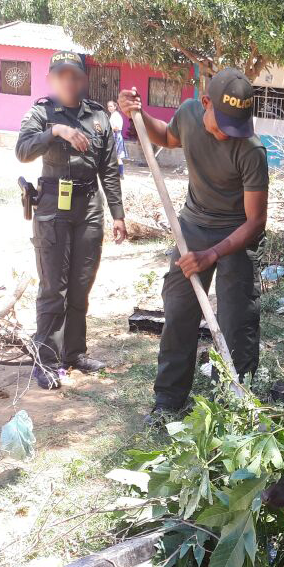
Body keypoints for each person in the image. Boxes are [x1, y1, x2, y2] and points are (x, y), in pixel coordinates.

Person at [117, 68, 269, 418]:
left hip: (236, 234)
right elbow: (168, 138)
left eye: (238, 124)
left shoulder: (251, 151)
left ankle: (233, 403)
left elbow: (256, 221)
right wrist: (139, 115)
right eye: (224, 122)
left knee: (236, 321)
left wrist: (213, 253)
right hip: (193, 227)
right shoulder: (188, 114)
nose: (231, 133)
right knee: (179, 313)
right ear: (205, 104)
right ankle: (168, 401)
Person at [16, 51, 126, 390]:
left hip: (89, 205)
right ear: (51, 79)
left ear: (83, 79)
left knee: (81, 283)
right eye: (61, 75)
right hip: (52, 207)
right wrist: (57, 131)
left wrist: (118, 214)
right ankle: (46, 361)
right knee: (53, 287)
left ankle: (74, 352)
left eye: (75, 75)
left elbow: (109, 169)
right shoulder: (41, 113)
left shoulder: (97, 117)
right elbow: (23, 151)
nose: (69, 81)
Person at [106, 100, 127, 177]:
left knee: (116, 156)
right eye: (108, 106)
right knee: (116, 156)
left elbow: (117, 128)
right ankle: (119, 173)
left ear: (115, 107)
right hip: (115, 136)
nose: (109, 108)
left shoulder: (116, 116)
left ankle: (119, 173)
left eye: (111, 106)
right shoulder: (113, 115)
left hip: (116, 136)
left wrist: (109, 130)